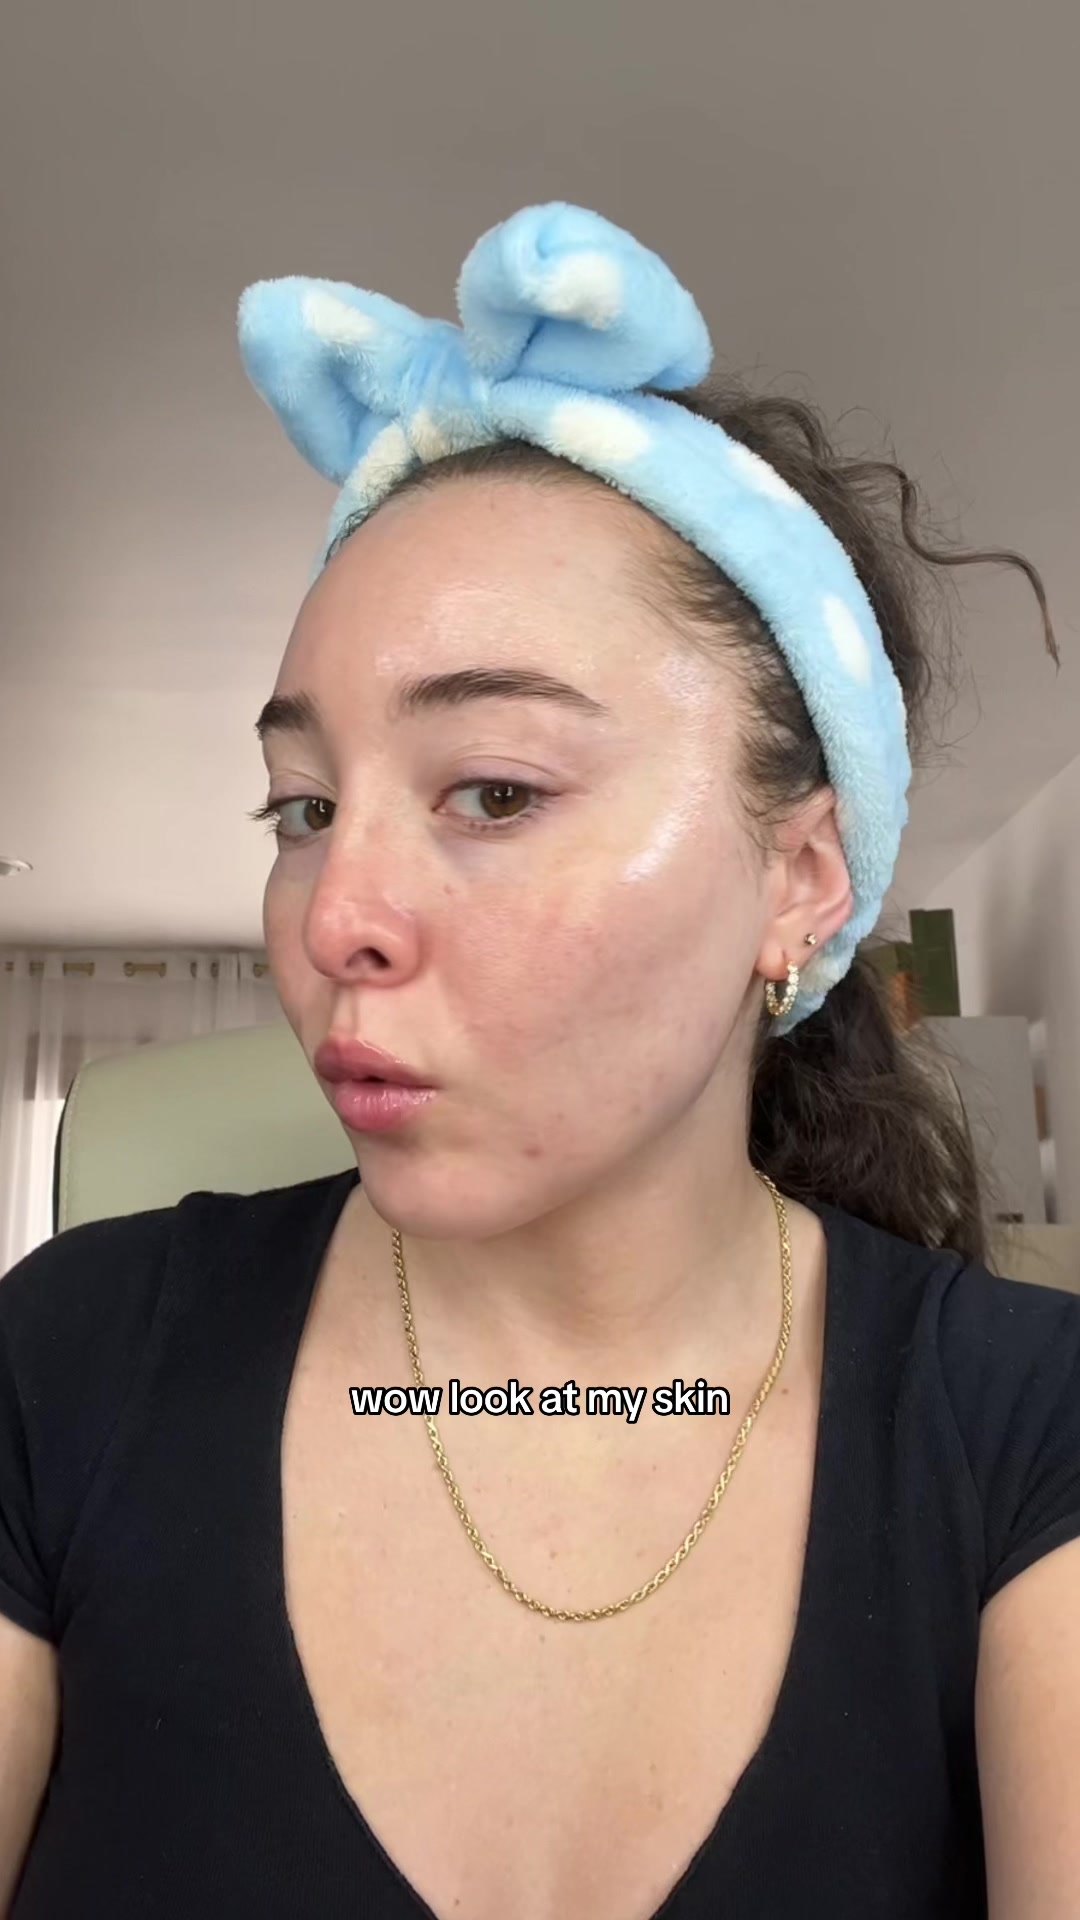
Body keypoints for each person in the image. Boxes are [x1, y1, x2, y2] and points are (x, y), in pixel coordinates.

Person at [0, 203, 1076, 1920]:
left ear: (800, 880)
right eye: (303, 807)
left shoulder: (1029, 1432)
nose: (335, 913)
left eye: (493, 790)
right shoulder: (63, 1361)